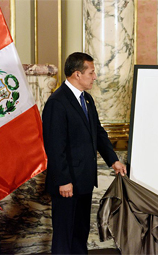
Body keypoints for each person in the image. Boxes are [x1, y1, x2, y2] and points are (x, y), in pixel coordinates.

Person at [42, 52, 127, 254]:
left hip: (84, 180)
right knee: (64, 235)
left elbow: (97, 132)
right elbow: (54, 146)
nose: (95, 76)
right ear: (77, 74)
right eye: (91, 72)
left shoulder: (86, 99)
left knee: (80, 232)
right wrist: (63, 180)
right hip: (67, 182)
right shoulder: (57, 102)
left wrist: (113, 160)